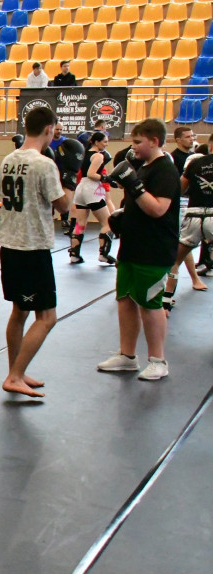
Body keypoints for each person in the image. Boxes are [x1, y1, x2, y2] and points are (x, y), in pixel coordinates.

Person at [99, 119, 180, 381]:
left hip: (154, 250)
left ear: (154, 141)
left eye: (137, 142)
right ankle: (127, 356)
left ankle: (158, 360)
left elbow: (158, 209)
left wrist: (133, 184)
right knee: (125, 300)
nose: (132, 147)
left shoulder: (165, 169)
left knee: (150, 304)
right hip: (132, 246)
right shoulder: (143, 167)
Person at [0, 106, 69, 397]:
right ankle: (14, 376)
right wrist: (69, 182)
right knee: (47, 317)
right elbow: (62, 206)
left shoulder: (8, 159)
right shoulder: (44, 164)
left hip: (9, 243)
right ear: (49, 130)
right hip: (32, 247)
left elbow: (3, 197)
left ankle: (17, 371)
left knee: (19, 311)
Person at [165, 147, 213, 306]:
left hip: (193, 215)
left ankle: (166, 299)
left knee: (175, 260)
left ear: (210, 147)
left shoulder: (196, 162)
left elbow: (179, 189)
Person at [167, 127, 207, 289]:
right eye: (188, 137)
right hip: (180, 202)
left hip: (195, 203)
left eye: (193, 136)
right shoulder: (173, 158)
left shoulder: (196, 158)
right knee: (184, 241)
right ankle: (192, 279)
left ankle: (194, 278)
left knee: (186, 242)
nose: (191, 139)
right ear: (178, 140)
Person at [69, 131, 116, 265]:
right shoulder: (98, 156)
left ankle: (74, 254)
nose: (106, 144)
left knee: (80, 223)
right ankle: (103, 254)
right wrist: (106, 178)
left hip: (81, 188)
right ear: (96, 142)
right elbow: (91, 174)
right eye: (105, 142)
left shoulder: (84, 154)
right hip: (91, 188)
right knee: (108, 223)